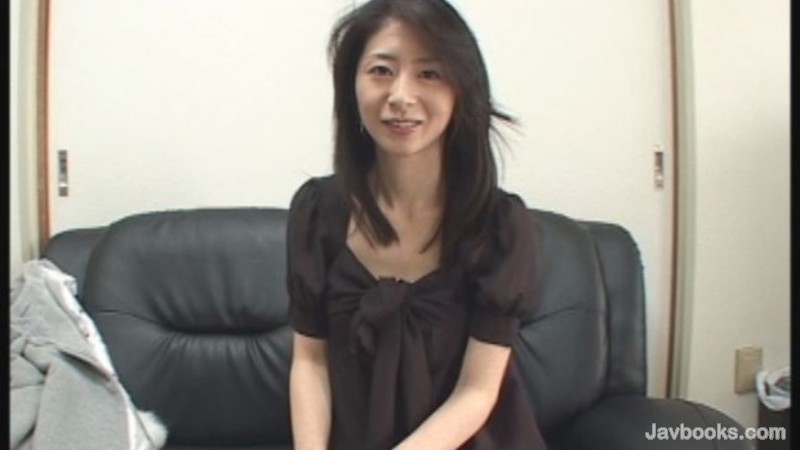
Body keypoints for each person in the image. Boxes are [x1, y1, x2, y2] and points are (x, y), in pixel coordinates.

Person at [285, 0, 547, 448]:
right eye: (381, 71)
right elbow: (311, 362)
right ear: (351, 85)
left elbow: (477, 391)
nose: (401, 96)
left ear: (460, 89)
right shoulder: (317, 213)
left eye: (429, 73)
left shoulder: (500, 227)